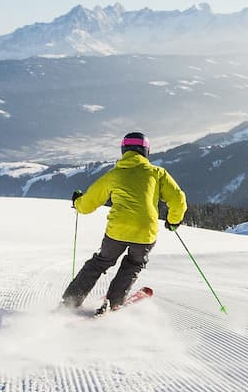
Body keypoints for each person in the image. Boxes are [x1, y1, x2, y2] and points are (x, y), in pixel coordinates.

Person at [62, 131, 187, 312]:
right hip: (145, 232)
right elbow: (178, 200)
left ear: (124, 150)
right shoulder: (157, 173)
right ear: (146, 151)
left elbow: (88, 204)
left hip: (117, 230)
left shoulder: (114, 175)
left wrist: (77, 203)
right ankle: (114, 302)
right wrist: (173, 221)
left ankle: (70, 302)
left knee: (100, 263)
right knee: (133, 264)